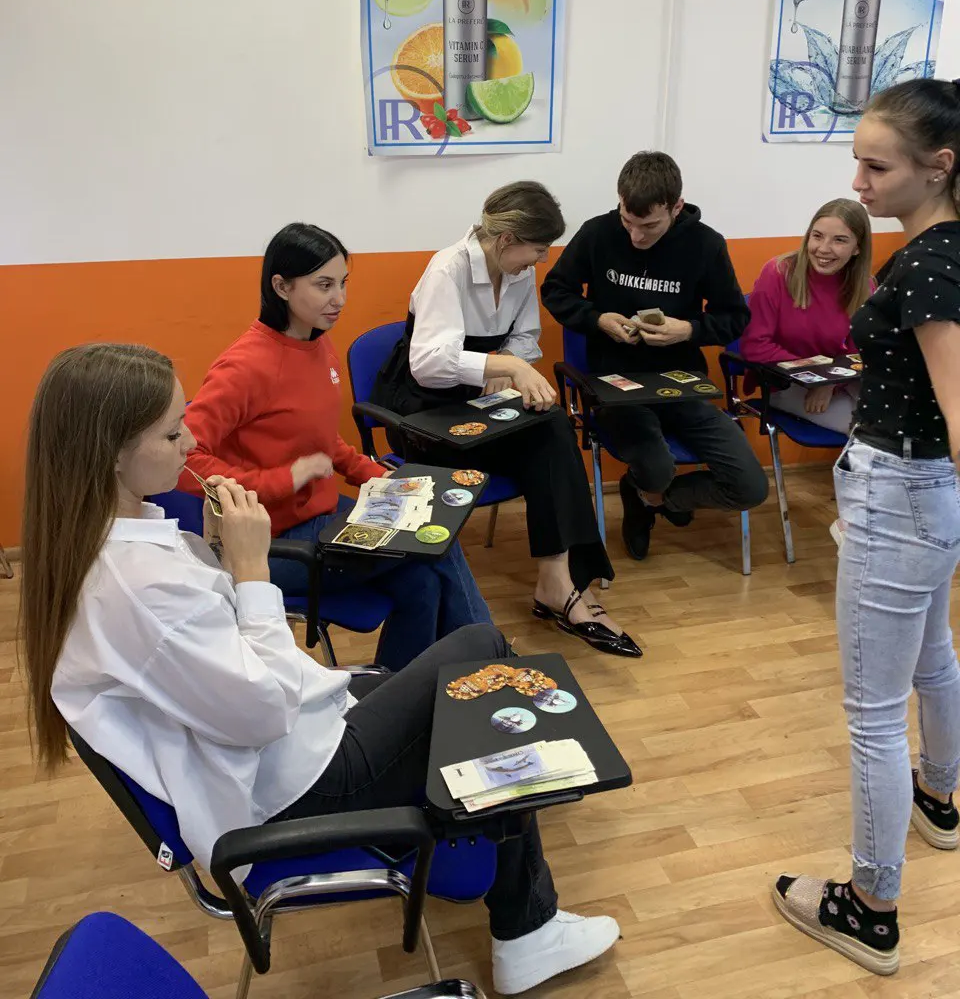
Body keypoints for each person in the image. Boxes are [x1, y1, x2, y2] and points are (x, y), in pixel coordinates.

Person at [20, 343, 621, 996]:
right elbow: (261, 710)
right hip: (298, 780)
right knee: (481, 652)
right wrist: (251, 573)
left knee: (470, 686)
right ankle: (527, 927)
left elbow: (215, 655)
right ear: (111, 453)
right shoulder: (141, 588)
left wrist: (219, 553)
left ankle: (500, 852)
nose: (191, 441)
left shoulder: (117, 540)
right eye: (172, 433)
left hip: (291, 742)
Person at [772, 78, 960, 976]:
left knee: (874, 715)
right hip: (923, 494)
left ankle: (871, 908)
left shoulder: (926, 268)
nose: (859, 181)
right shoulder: (942, 251)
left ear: (940, 166)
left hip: (903, 494)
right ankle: (941, 798)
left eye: (877, 167)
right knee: (934, 656)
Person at [183, 224, 491, 673]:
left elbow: (322, 442)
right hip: (270, 546)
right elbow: (185, 461)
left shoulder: (317, 343)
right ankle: (489, 665)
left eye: (343, 283)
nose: (339, 299)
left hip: (323, 521)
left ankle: (402, 694)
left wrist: (376, 475)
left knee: (422, 579)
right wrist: (281, 480)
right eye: (324, 285)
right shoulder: (244, 367)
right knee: (436, 540)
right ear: (282, 287)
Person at [372, 181, 641, 659]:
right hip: (423, 411)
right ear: (506, 240)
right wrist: (504, 367)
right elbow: (429, 364)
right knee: (542, 437)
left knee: (551, 425)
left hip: (477, 401)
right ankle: (563, 589)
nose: (541, 259)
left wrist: (505, 367)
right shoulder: (447, 269)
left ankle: (558, 580)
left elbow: (525, 337)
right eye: (537, 249)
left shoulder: (516, 274)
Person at [541, 151, 769, 561]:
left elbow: (734, 318)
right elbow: (556, 290)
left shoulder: (706, 244)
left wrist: (689, 330)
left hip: (682, 385)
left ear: (677, 207)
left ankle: (651, 499)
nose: (635, 236)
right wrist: (597, 319)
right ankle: (650, 489)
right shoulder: (597, 233)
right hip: (616, 387)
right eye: (627, 221)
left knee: (751, 487)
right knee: (658, 466)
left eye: (649, 226)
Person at [740, 198, 873, 435]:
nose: (823, 248)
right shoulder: (778, 272)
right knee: (868, 430)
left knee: (902, 420)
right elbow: (755, 346)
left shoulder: (865, 286)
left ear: (858, 248)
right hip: (786, 381)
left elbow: (858, 355)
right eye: (817, 236)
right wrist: (819, 378)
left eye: (840, 240)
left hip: (838, 380)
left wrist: (830, 382)